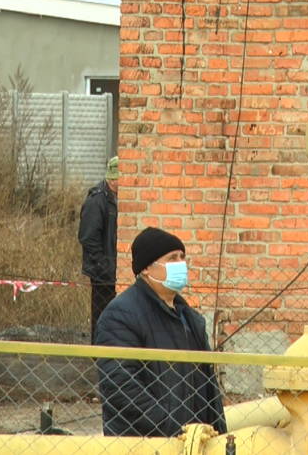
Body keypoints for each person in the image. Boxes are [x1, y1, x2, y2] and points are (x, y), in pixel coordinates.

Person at [95, 227, 227, 437]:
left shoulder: (189, 318)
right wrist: (176, 429)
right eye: (172, 258)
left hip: (195, 443)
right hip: (149, 444)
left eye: (182, 257)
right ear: (146, 267)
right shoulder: (120, 315)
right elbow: (122, 390)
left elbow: (207, 387)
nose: (181, 264)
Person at [79, 156, 120, 344]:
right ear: (113, 179)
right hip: (102, 274)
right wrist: (106, 268)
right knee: (102, 315)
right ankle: (100, 351)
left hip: (114, 272)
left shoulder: (115, 198)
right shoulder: (98, 200)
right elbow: (88, 238)